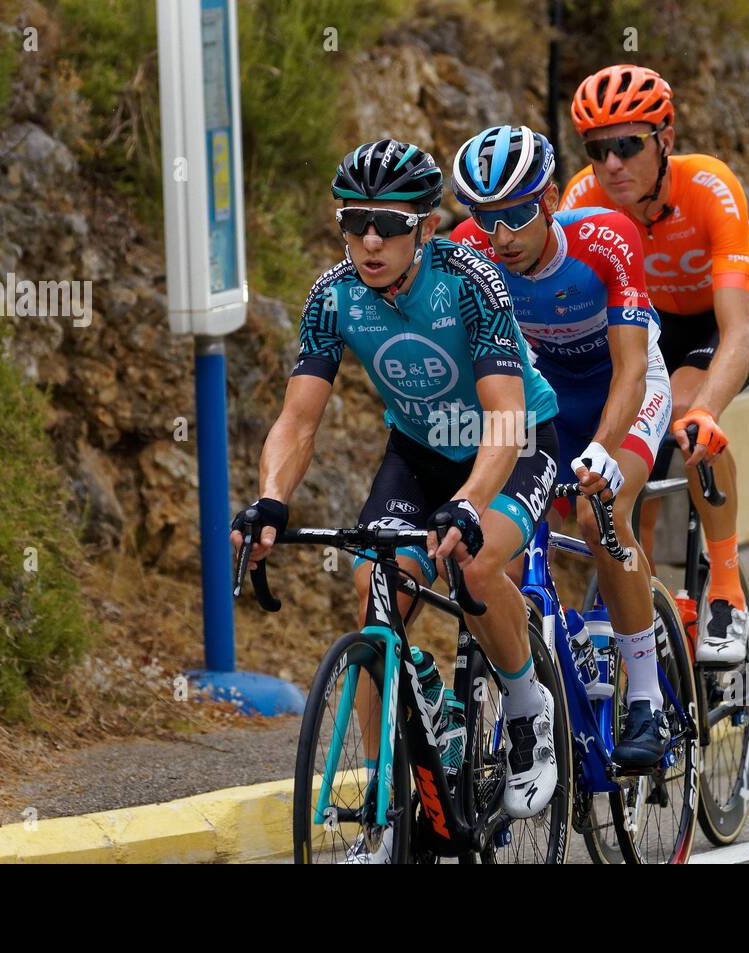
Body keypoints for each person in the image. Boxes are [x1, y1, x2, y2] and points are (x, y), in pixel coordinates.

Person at [231, 139, 563, 861]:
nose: (370, 240)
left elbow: (505, 414)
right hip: (416, 453)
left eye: (388, 223)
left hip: (513, 443)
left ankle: (528, 710)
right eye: (354, 223)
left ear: (428, 227)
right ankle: (392, 802)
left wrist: (474, 500)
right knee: (374, 589)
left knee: (476, 569)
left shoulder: (470, 280)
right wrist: (269, 500)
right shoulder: (333, 295)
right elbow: (298, 418)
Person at [451, 123, 672, 766]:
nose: (501, 237)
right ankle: (527, 699)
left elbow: (631, 369)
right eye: (484, 218)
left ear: (550, 199)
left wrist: (605, 448)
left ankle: (648, 703)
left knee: (600, 514)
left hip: (622, 390)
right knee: (490, 551)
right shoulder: (468, 251)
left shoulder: (606, 239)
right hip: (544, 402)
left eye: (517, 214)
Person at [559, 64, 749, 667]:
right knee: (632, 448)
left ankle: (728, 597)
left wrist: (708, 409)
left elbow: (738, 328)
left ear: (666, 140)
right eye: (598, 149)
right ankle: (648, 605)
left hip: (726, 316)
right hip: (653, 325)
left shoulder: (709, 187)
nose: (612, 164)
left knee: (684, 410)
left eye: (628, 144)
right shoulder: (582, 200)